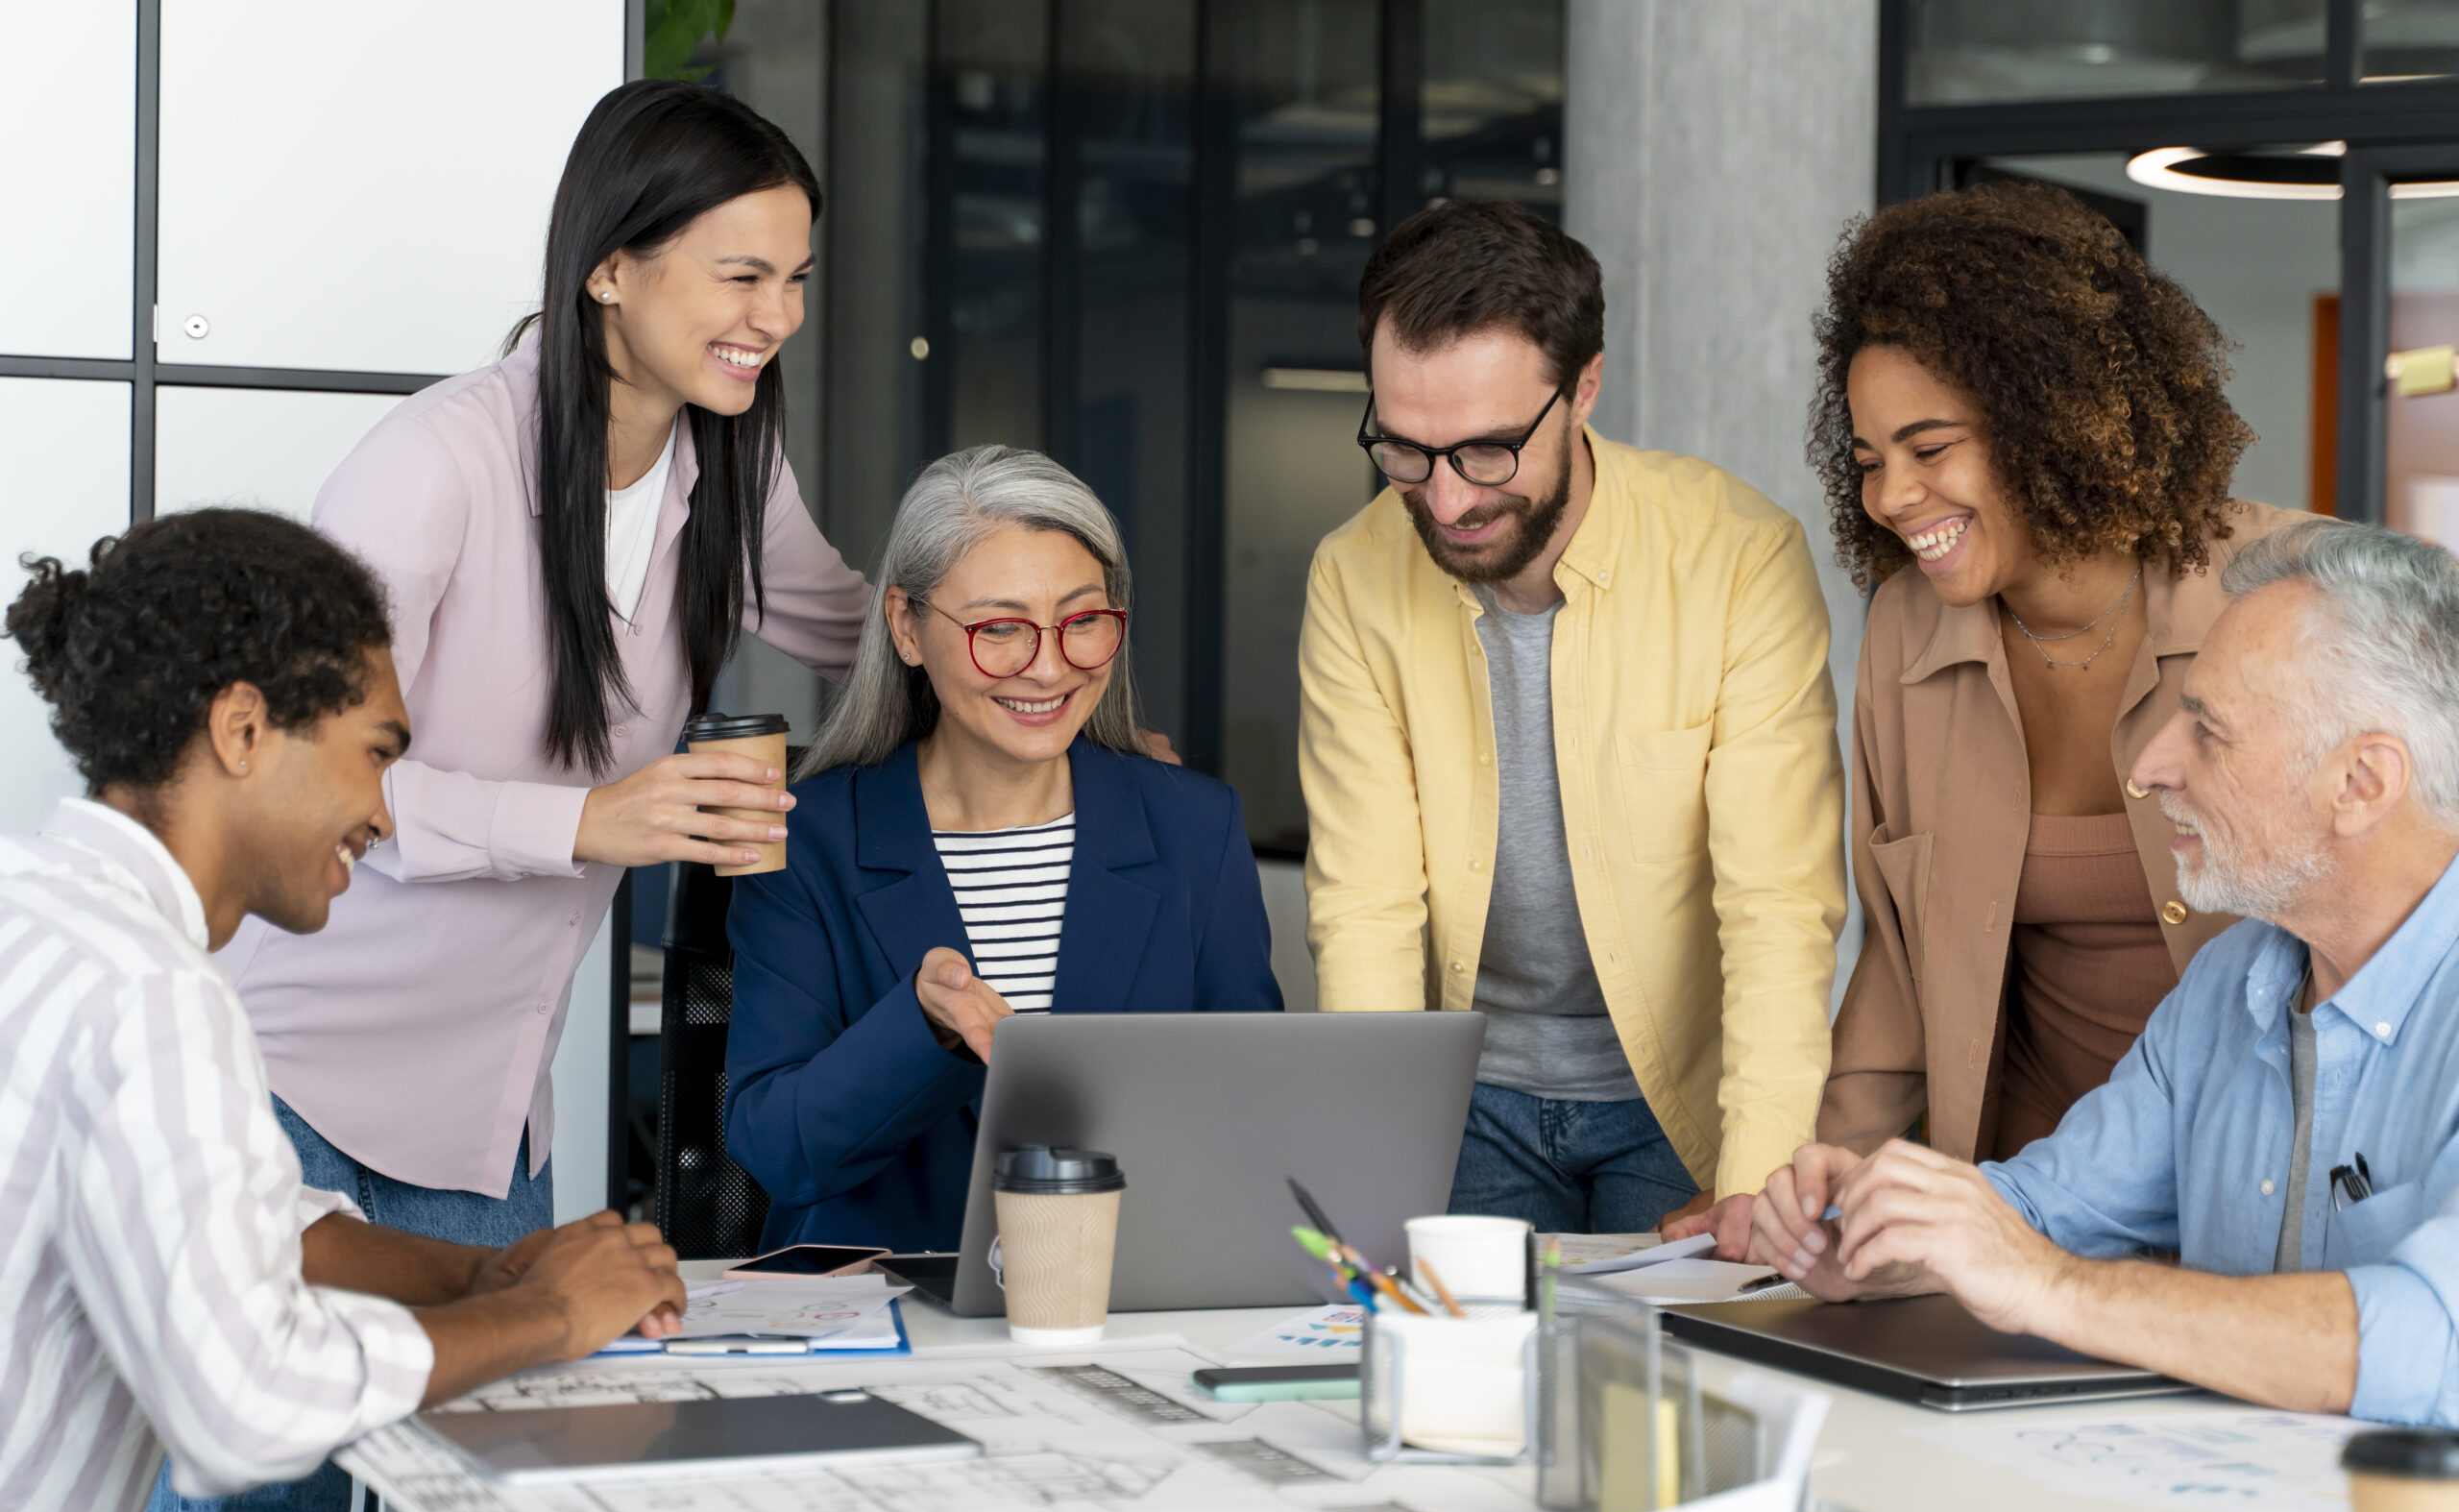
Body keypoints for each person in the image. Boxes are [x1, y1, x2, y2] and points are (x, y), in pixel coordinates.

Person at [164, 83, 869, 1512]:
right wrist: (588, 821)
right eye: (741, 275)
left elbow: (856, 625)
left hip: (484, 1104)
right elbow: (306, 778)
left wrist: (1024, 647)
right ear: (611, 265)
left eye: (796, 278)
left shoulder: (727, 473)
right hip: (281, 1070)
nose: (776, 317)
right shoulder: (436, 461)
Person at [0, 512, 687, 1512]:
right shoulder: (152, 994)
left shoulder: (37, 907)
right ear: (242, 729)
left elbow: (251, 1227)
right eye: (375, 752)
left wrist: (488, 1274)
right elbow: (245, 1400)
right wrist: (550, 1316)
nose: (381, 810)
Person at [1676, 183, 2313, 1259]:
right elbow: (1900, 965)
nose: (1891, 496)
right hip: (2019, 1205)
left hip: (2252, 1202)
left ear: (2051, 419)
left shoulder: (2291, 599)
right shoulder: (1904, 629)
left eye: (1929, 449)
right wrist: (1799, 1192)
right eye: (1870, 461)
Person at [1752, 520, 2459, 1425]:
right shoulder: (2230, 983)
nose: (2151, 766)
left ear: (2361, 783)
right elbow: (2044, 1210)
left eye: (2208, 732)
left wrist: (2047, 1284)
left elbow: (2437, 1341)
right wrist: (1873, 1231)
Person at [1300, 198, 1845, 1236]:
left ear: (1583, 388)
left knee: (1663, 1344)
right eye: (1405, 450)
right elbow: (1366, 907)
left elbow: (1777, 904)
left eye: (1487, 452)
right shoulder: (1354, 574)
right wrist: (1377, 1165)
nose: (1446, 501)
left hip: (1679, 1105)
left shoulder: (1738, 558)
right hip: (1467, 1103)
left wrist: (1757, 1173)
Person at [724, 447, 1281, 1252]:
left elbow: (1253, 1114)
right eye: (1002, 629)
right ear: (906, 628)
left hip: (1125, 1289)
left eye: (1081, 622)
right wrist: (922, 1029)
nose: (1049, 668)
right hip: (884, 1295)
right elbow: (776, 1148)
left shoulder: (1196, 828)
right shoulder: (808, 838)